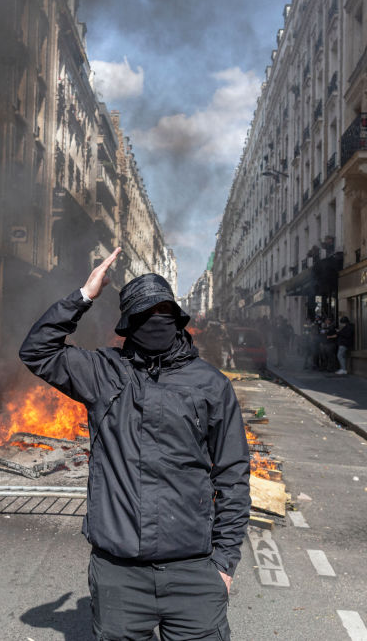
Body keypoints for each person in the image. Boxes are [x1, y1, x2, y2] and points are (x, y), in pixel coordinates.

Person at [19, 248, 250, 639]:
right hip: (119, 577)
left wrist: (224, 564)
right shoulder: (103, 373)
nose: (154, 322)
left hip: (194, 574)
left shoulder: (211, 384)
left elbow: (233, 476)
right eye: (144, 316)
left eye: (162, 313)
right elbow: (37, 351)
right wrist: (84, 295)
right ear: (127, 325)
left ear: (177, 321)